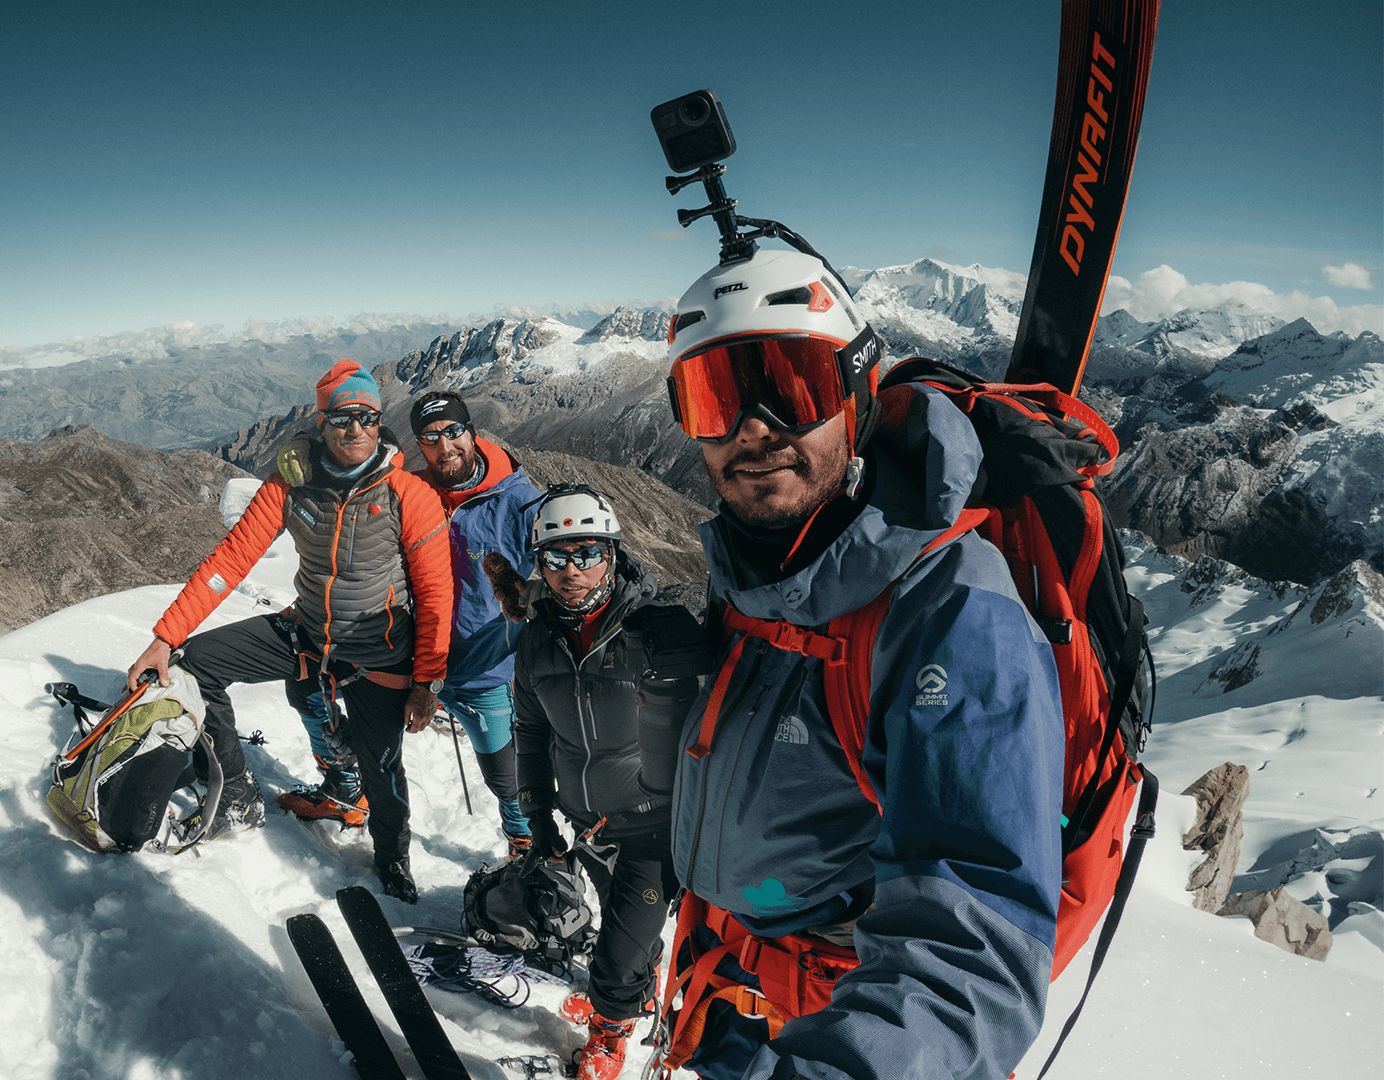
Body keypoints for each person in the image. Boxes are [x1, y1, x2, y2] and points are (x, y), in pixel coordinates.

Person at [657, 247, 1067, 1079]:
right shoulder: (753, 567)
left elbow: (970, 952)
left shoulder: (951, 612)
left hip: (851, 1012)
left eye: (792, 386)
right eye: (715, 399)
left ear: (858, 394)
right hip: (730, 983)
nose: (754, 428)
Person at [124, 359, 453, 902]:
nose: (357, 430)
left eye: (368, 417)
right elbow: (231, 559)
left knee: (383, 765)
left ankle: (392, 856)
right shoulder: (291, 482)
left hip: (380, 648)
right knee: (195, 665)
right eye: (344, 418)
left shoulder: (407, 495)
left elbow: (437, 595)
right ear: (321, 422)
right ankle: (233, 790)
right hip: (309, 631)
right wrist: (165, 637)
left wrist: (428, 681)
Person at [483, 484, 704, 1080]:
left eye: (586, 553)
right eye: (556, 557)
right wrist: (535, 809)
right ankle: (642, 996)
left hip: (654, 822)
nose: (571, 570)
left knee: (618, 948)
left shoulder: (651, 628)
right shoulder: (537, 639)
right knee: (622, 925)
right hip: (589, 820)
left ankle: (609, 1035)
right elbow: (530, 730)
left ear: (611, 554)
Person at [282, 390, 539, 857]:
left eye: (454, 432)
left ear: (472, 432)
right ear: (420, 444)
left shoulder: (521, 503)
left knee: (507, 776)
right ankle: (347, 783)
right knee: (305, 686)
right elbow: (358, 540)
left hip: (483, 667)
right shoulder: (408, 490)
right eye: (431, 437)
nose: (445, 446)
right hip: (410, 655)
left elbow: (562, 571)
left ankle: (529, 845)